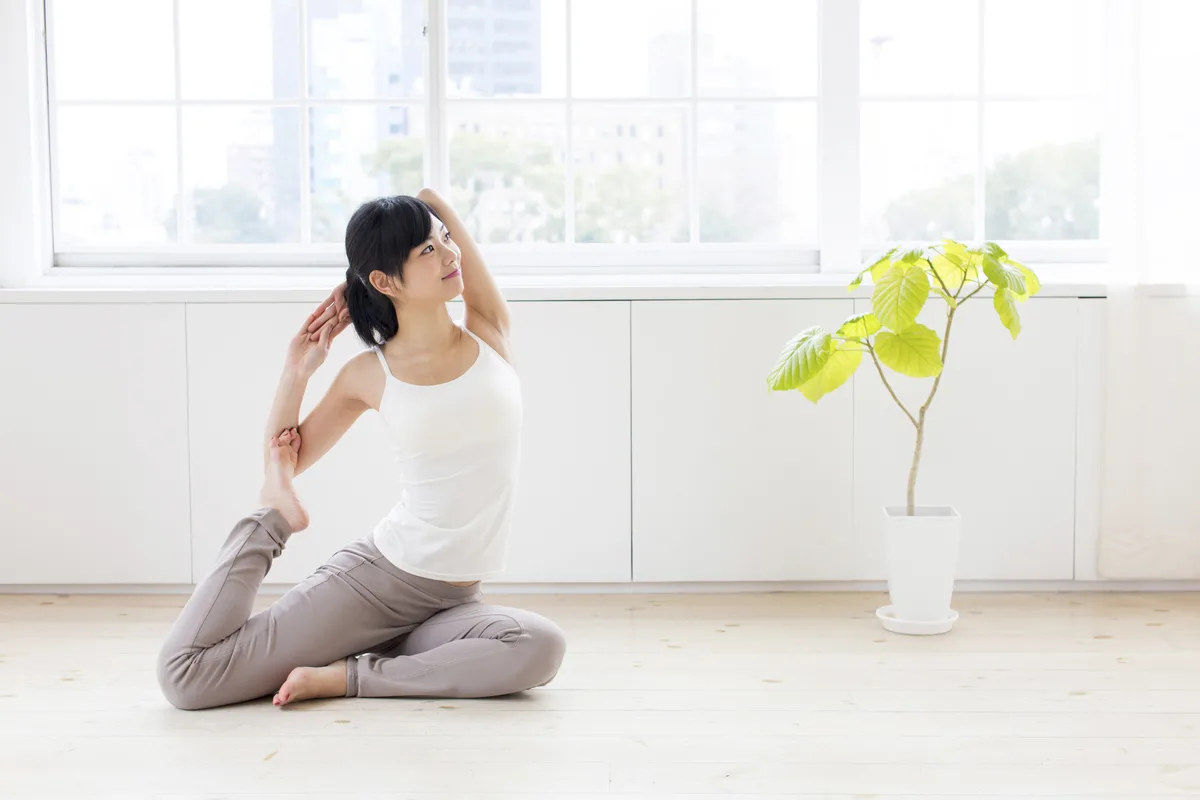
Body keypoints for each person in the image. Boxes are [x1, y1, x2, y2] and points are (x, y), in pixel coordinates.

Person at [156, 189, 566, 710]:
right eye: (427, 252)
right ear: (385, 281)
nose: (450, 255)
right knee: (187, 677)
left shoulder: (489, 330)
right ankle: (268, 526)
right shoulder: (371, 374)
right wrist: (296, 371)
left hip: (453, 601)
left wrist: (407, 223)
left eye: (444, 241)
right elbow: (288, 457)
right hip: (377, 585)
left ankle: (350, 674)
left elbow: (432, 199)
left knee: (540, 646)